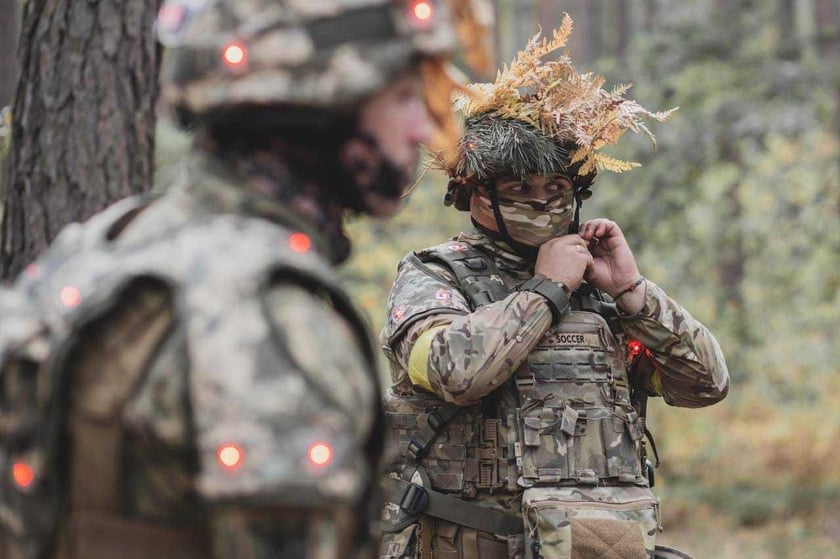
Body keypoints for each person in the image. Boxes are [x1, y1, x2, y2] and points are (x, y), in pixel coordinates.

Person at [0, 1, 493, 558]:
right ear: (320, 104)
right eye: (404, 97)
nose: (423, 128)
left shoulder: (104, 243)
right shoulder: (271, 321)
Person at [378, 15, 729, 559]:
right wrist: (545, 290)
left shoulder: (602, 287)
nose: (541, 202)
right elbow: (455, 372)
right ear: (472, 194)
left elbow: (705, 385)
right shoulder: (433, 274)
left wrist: (633, 292)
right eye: (519, 188)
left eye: (556, 186)